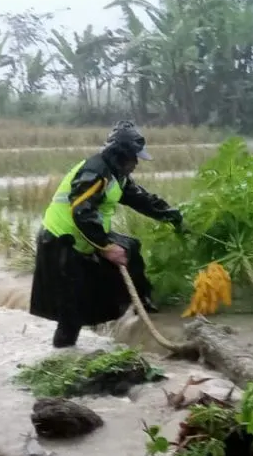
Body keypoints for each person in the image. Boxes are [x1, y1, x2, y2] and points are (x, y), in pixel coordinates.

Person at [30, 119, 184, 348]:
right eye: (133, 158)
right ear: (120, 155)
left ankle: (142, 303)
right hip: (61, 242)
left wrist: (171, 215)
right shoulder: (95, 173)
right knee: (71, 314)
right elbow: (81, 213)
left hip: (86, 236)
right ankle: (62, 355)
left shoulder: (117, 175)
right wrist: (106, 247)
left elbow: (140, 198)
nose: (136, 163)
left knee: (131, 248)